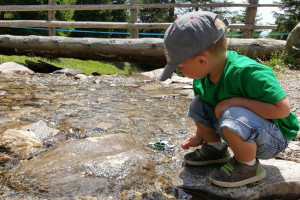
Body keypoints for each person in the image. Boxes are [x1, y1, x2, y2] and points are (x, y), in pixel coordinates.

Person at [159, 11, 299, 188]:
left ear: (202, 61)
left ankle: (248, 167)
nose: (180, 72)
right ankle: (215, 150)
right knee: (198, 105)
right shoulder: (202, 78)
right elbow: (205, 112)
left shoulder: (248, 72)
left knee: (233, 113)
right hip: (241, 126)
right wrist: (199, 137)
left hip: (273, 137)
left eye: (180, 67)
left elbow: (282, 110)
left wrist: (235, 102)